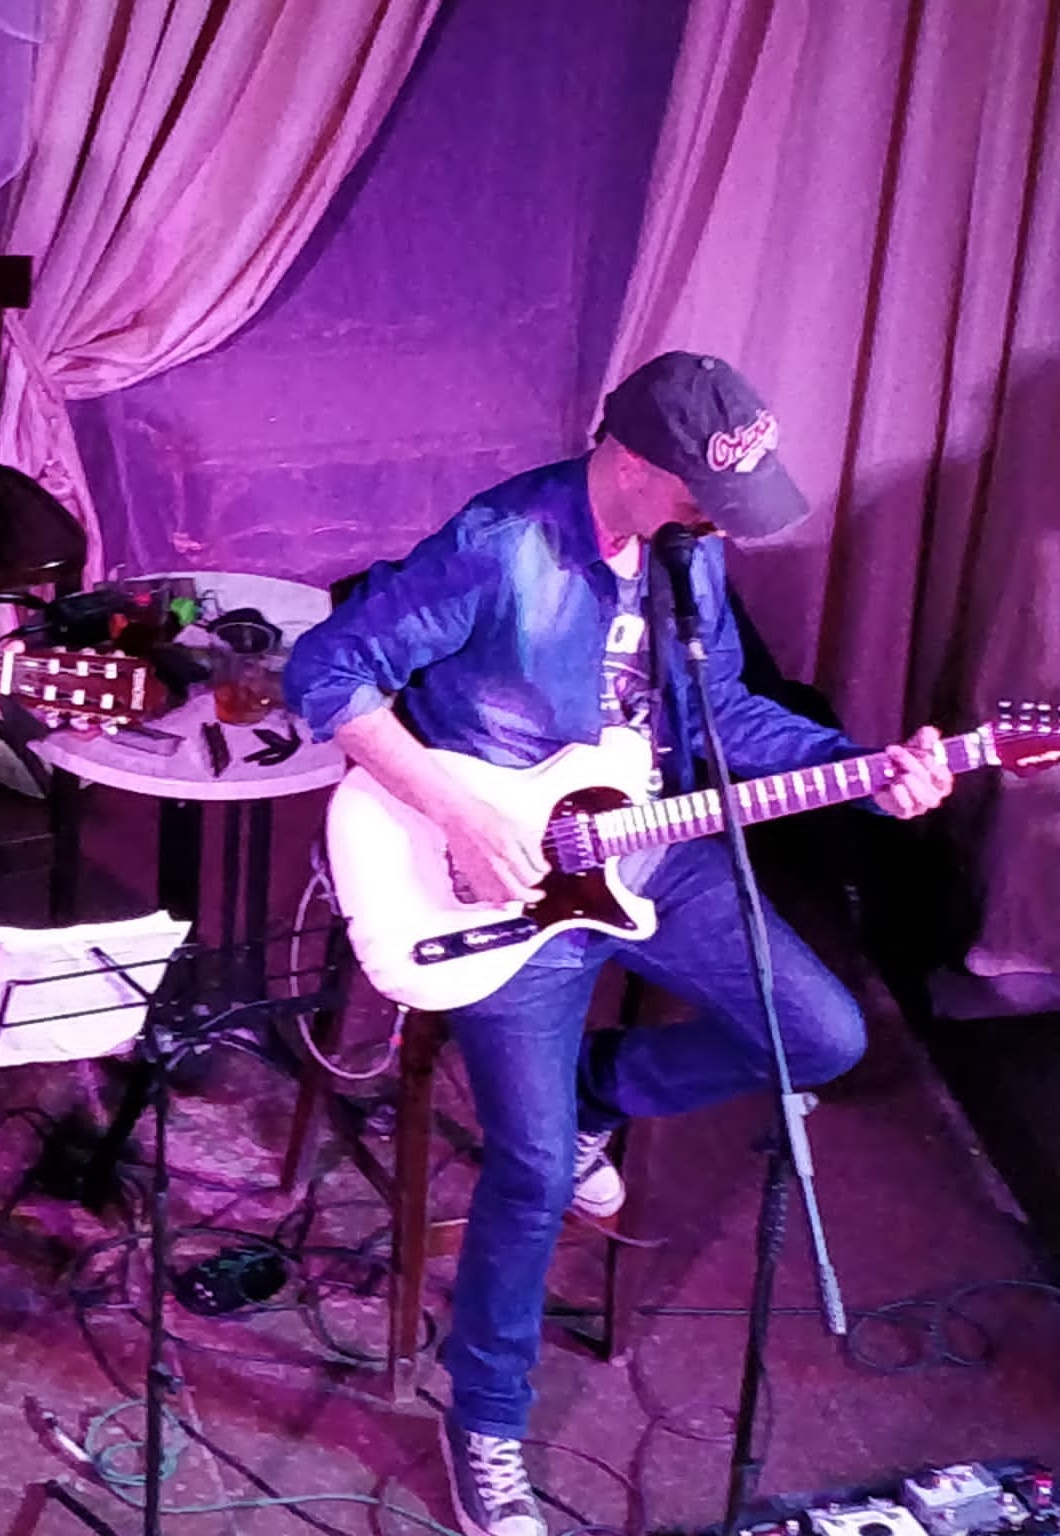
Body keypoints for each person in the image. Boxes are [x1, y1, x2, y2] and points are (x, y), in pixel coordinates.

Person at [283, 353, 953, 1536]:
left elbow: (720, 713)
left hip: (645, 846)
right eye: (704, 492)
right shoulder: (501, 545)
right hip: (497, 878)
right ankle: (485, 1421)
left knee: (821, 1036)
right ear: (631, 460)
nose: (720, 521)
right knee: (535, 1171)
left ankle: (601, 1086)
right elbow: (321, 670)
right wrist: (458, 813)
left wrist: (863, 771)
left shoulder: (689, 551)